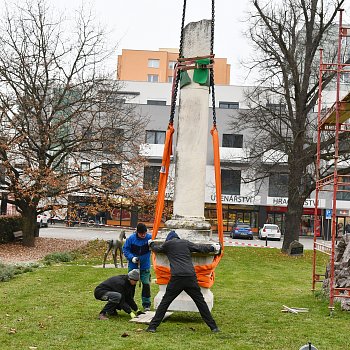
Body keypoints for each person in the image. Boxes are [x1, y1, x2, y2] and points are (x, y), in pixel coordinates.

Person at [146, 230, 221, 333]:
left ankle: (152, 327)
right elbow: (200, 249)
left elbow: (156, 249)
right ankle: (213, 327)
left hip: (177, 277)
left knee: (165, 302)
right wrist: (213, 248)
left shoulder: (168, 244)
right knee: (200, 302)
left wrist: (151, 243)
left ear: (169, 239)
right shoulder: (185, 243)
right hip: (190, 276)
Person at [123, 223, 152, 311]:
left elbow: (157, 247)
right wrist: (132, 258)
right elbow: (125, 249)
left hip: (145, 265)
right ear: (137, 232)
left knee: (146, 284)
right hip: (133, 265)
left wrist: (152, 245)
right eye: (141, 233)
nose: (143, 235)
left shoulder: (149, 238)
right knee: (131, 285)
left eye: (145, 233)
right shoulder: (131, 239)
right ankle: (130, 302)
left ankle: (146, 304)